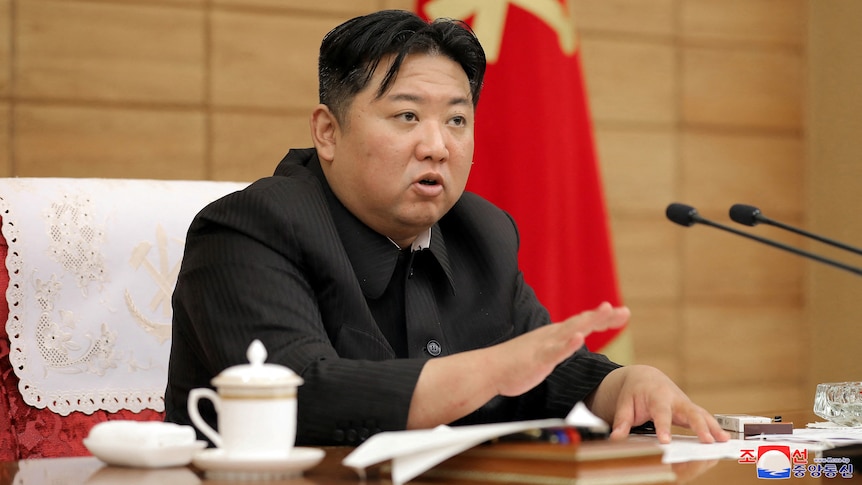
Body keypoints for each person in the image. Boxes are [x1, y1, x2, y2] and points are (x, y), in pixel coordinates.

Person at [164, 9, 728, 447]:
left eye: (457, 120)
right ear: (328, 132)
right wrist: (492, 368)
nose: (437, 146)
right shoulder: (249, 228)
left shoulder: (482, 231)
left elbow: (536, 367)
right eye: (407, 116)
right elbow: (301, 395)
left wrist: (620, 385)